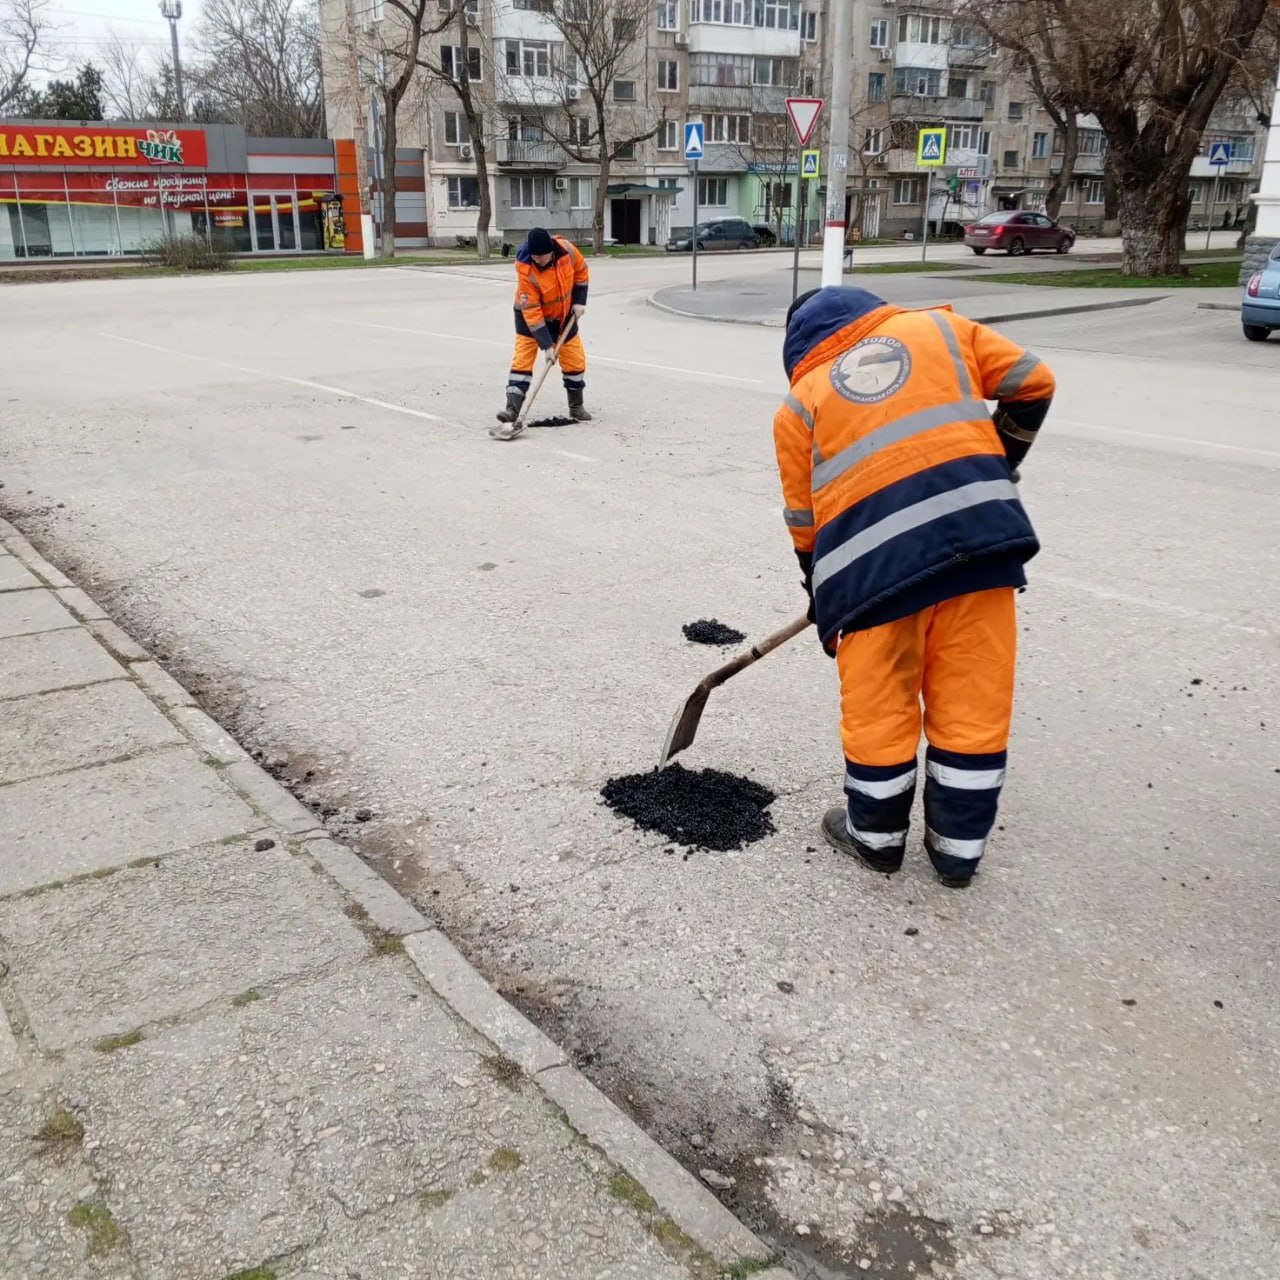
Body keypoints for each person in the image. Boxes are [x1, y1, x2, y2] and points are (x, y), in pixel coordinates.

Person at [773, 286, 1055, 888]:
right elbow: (1035, 381)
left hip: (871, 575)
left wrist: (822, 592)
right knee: (973, 696)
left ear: (798, 346)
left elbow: (805, 521)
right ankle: (957, 853)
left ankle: (875, 839)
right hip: (978, 544)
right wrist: (996, 459)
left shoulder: (798, 406)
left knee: (881, 704)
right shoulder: (941, 331)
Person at [497, 227, 591, 425]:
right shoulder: (526, 271)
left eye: (542, 256)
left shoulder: (567, 251)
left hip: (564, 315)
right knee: (522, 360)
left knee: (575, 359)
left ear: (551, 250)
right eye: (535, 256)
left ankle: (576, 406)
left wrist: (579, 301)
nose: (538, 259)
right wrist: (547, 346)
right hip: (529, 318)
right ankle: (512, 410)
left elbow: (581, 272)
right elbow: (532, 311)